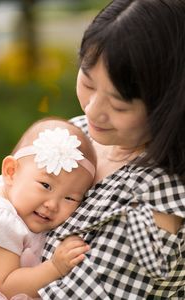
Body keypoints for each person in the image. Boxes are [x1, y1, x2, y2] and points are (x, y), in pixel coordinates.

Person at [39, 1, 185, 299]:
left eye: (119, 104)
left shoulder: (157, 205)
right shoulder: (78, 131)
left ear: (171, 106)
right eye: (88, 84)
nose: (93, 111)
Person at [0, 117, 96, 299]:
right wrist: (54, 267)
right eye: (45, 185)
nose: (52, 205)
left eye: (70, 198)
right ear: (11, 172)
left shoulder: (14, 196)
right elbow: (5, 285)